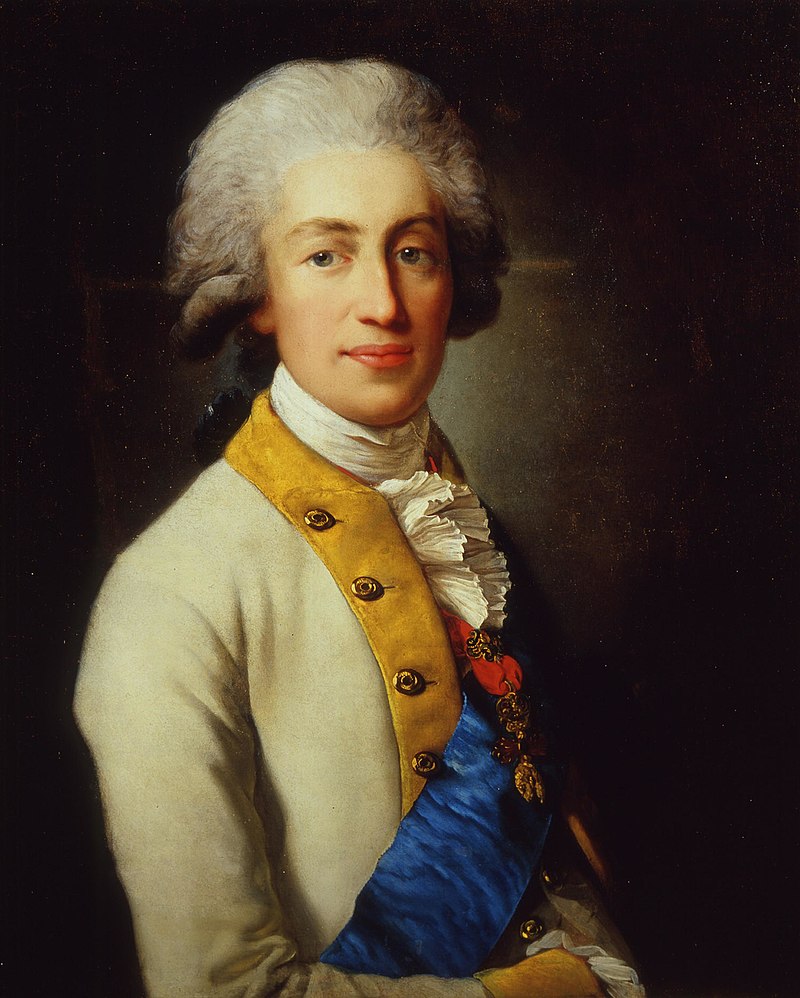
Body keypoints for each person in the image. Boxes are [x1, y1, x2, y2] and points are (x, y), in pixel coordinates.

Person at [75, 59, 645, 998]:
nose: (382, 301)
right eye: (326, 255)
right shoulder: (171, 592)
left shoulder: (469, 532)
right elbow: (224, 991)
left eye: (413, 251)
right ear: (256, 292)